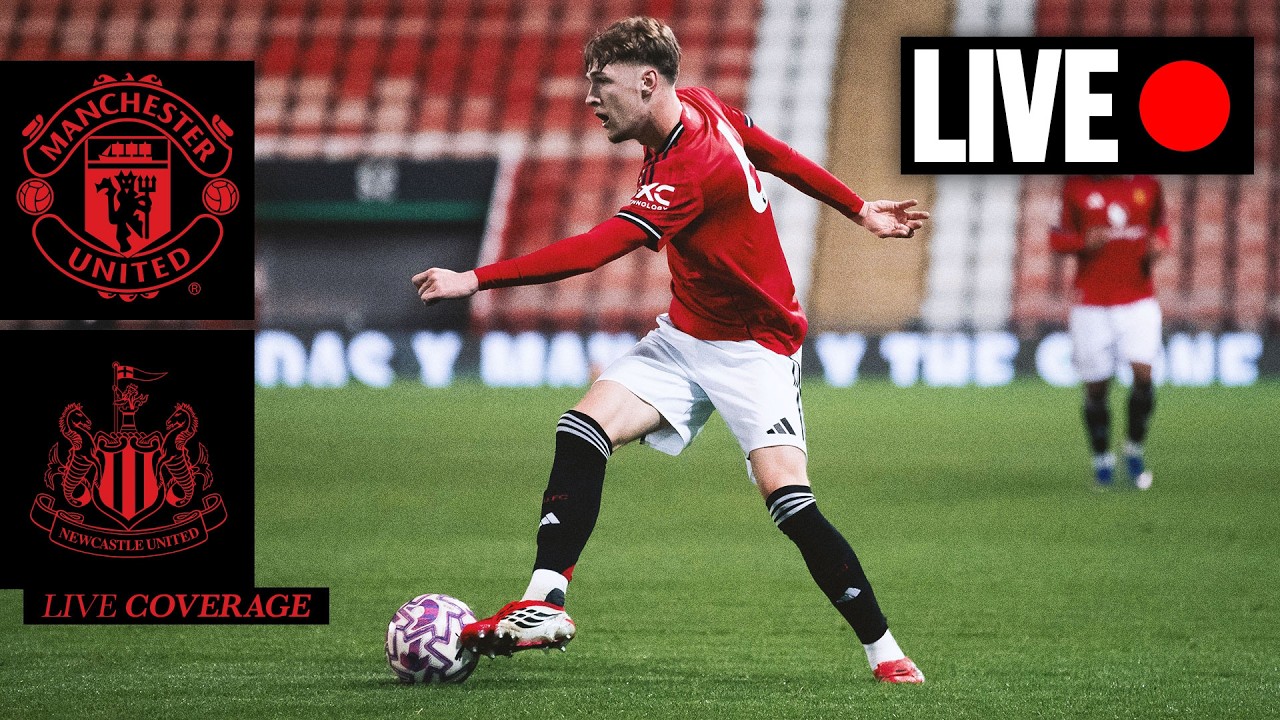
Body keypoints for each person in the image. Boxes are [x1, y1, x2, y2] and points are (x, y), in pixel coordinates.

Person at [413, 17, 928, 683]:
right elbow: (774, 153)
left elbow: (596, 248)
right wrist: (858, 209)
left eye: (603, 83)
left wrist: (476, 278)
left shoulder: (691, 165)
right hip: (686, 337)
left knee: (789, 501)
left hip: (756, 348)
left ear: (648, 82)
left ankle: (887, 654)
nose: (591, 98)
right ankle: (543, 601)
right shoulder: (702, 105)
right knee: (582, 429)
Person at [1049, 175, 1169, 490]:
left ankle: (1134, 449)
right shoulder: (1075, 187)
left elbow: (1161, 227)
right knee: (1096, 387)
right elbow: (1056, 239)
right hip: (1092, 303)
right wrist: (1083, 242)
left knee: (1144, 374)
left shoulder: (1148, 185)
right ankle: (1102, 460)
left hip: (1139, 299)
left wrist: (1159, 244)